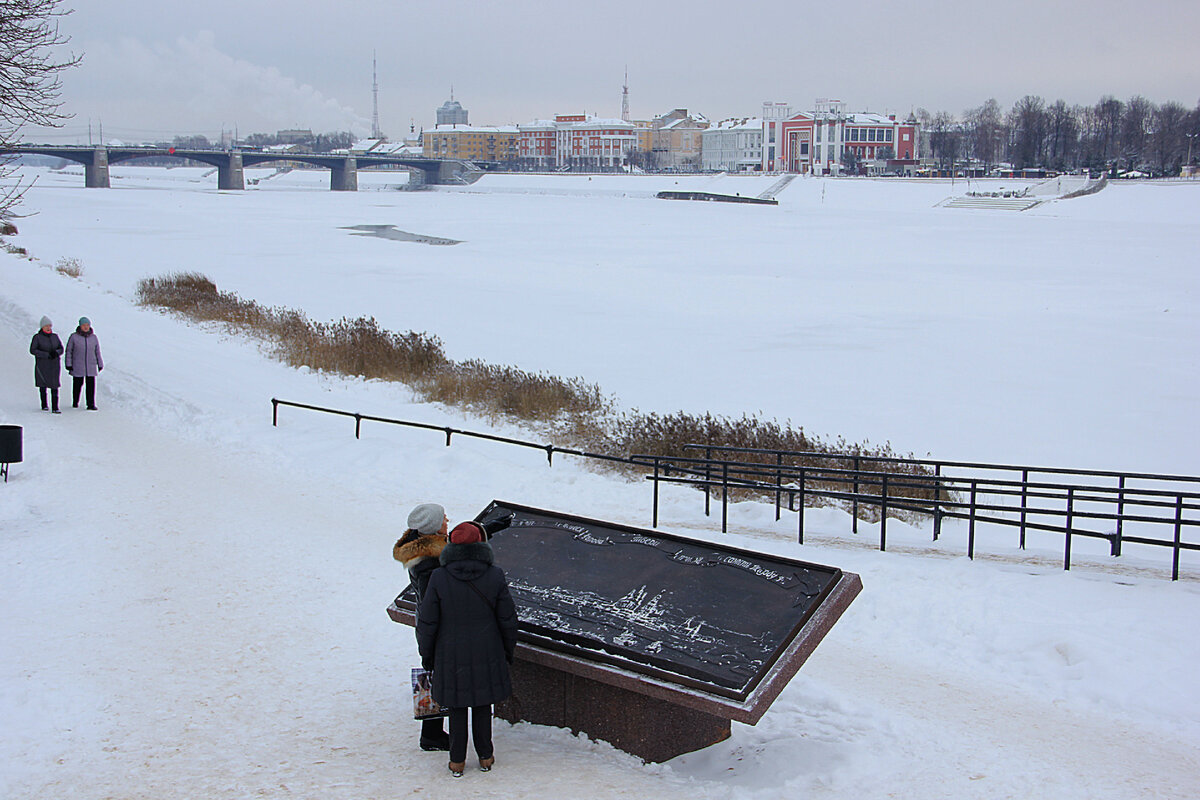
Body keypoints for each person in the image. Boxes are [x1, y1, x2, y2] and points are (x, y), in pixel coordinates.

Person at [417, 520, 518, 778]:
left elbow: (428, 621)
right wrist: (508, 649)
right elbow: (507, 617)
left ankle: (457, 761)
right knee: (483, 705)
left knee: (457, 707)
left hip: (450, 652)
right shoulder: (494, 574)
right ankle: (485, 756)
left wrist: (426, 653)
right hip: (487, 649)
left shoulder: (439, 577)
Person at [393, 502, 452, 752]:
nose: (448, 520)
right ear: (434, 528)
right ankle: (431, 735)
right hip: (436, 628)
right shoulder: (430, 562)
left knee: (437, 675)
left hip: (430, 625)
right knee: (437, 676)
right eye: (443, 519)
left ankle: (432, 732)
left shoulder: (426, 551)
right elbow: (432, 603)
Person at [65, 316, 103, 411]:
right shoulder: (74, 337)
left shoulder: (93, 338)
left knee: (90, 386)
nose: (86, 327)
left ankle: (90, 404)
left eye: (87, 325)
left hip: (90, 366)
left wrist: (100, 363)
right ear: (80, 326)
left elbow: (97, 351)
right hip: (78, 365)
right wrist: (68, 364)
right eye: (84, 325)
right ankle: (75, 402)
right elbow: (69, 351)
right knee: (77, 384)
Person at [29, 316, 64, 413]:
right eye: (46, 326)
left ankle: (55, 407)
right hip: (43, 364)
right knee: (42, 384)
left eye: (50, 326)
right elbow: (33, 350)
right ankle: (44, 404)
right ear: (42, 327)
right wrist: (45, 355)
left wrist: (56, 353)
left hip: (54, 364)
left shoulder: (55, 337)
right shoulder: (37, 337)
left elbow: (61, 348)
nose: (48, 328)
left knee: (54, 385)